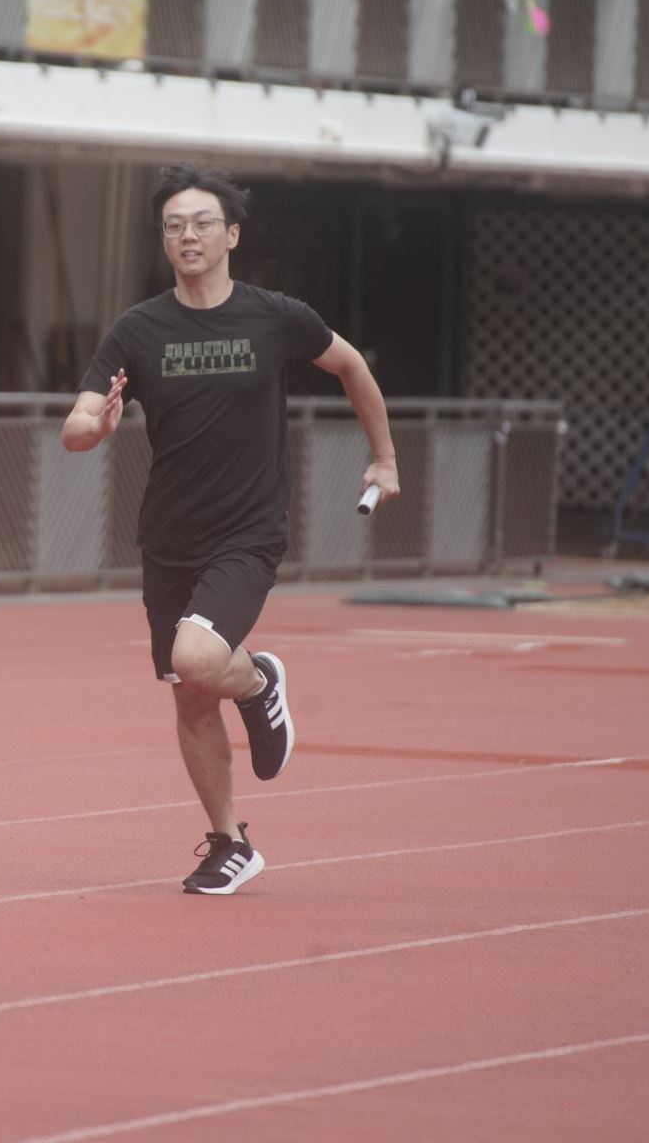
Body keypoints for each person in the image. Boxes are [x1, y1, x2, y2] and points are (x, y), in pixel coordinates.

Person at [60, 166, 399, 896]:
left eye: (202, 223)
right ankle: (229, 842)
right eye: (174, 226)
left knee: (198, 658)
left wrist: (385, 458)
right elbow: (76, 424)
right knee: (189, 693)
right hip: (168, 538)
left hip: (247, 531)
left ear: (231, 235)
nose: (188, 235)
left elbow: (350, 365)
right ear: (164, 241)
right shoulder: (139, 329)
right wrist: (96, 424)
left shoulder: (275, 317)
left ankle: (259, 682)